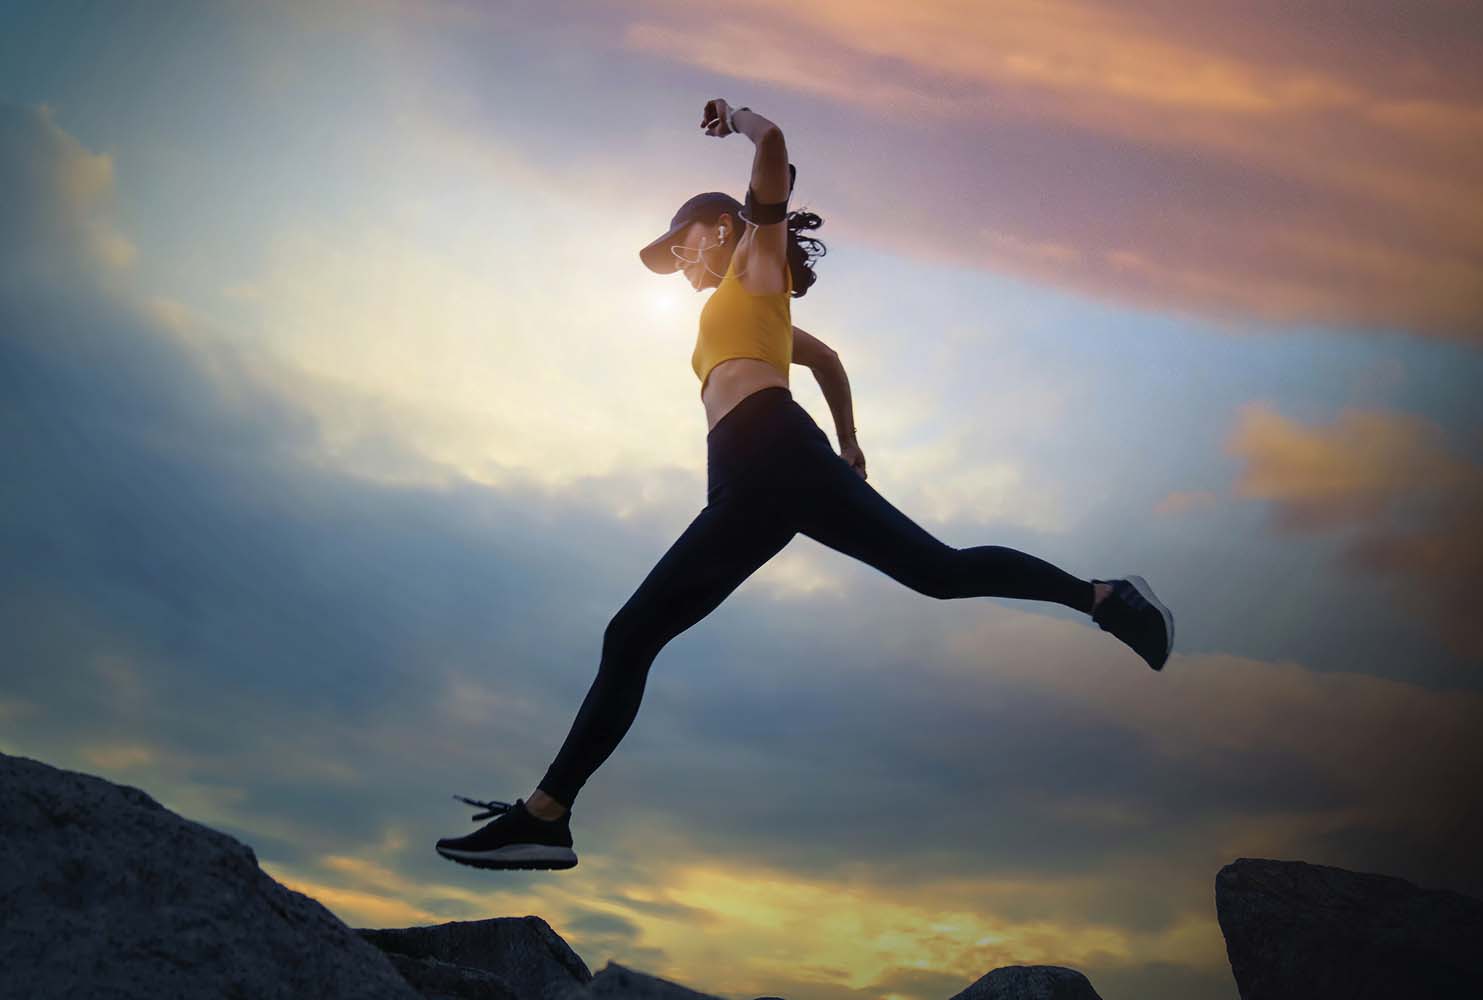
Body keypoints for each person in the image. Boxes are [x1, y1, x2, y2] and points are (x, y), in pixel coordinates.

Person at [435, 99, 1174, 872]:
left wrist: (740, 117)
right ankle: (1103, 597)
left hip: (771, 455)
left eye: (683, 248)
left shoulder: (755, 261)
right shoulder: (749, 306)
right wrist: (851, 441)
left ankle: (546, 816)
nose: (682, 266)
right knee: (927, 575)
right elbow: (825, 362)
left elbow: (778, 146)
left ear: (722, 229)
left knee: (643, 633)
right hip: (754, 481)